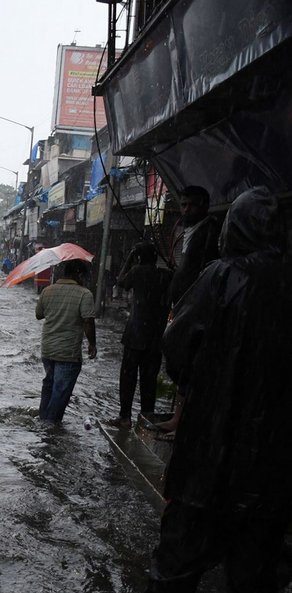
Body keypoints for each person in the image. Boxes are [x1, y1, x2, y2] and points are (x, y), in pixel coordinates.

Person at [148, 187, 292, 592]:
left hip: (208, 458)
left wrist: (200, 384)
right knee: (254, 571)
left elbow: (176, 347)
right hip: (272, 468)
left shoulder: (222, 276)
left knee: (176, 566)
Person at [155, 186, 221, 435]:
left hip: (195, 309)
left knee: (182, 361)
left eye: (191, 205)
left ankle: (183, 420)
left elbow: (205, 268)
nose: (186, 210)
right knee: (178, 361)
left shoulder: (209, 229)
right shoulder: (187, 230)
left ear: (203, 205)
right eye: (182, 205)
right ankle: (179, 417)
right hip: (182, 306)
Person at [106, 243, 172, 428]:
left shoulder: (137, 272)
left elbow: (120, 281)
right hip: (156, 337)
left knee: (128, 378)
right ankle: (146, 418)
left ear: (139, 258)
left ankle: (125, 417)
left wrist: (129, 258)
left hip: (135, 335)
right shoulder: (167, 275)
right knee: (149, 379)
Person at [35, 259, 97, 424]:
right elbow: (88, 321)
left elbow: (39, 314)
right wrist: (92, 344)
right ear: (78, 274)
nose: (84, 279)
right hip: (68, 353)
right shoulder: (84, 294)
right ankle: (50, 427)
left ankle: (43, 420)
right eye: (83, 275)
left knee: (49, 385)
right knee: (60, 392)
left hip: (47, 350)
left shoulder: (47, 290)